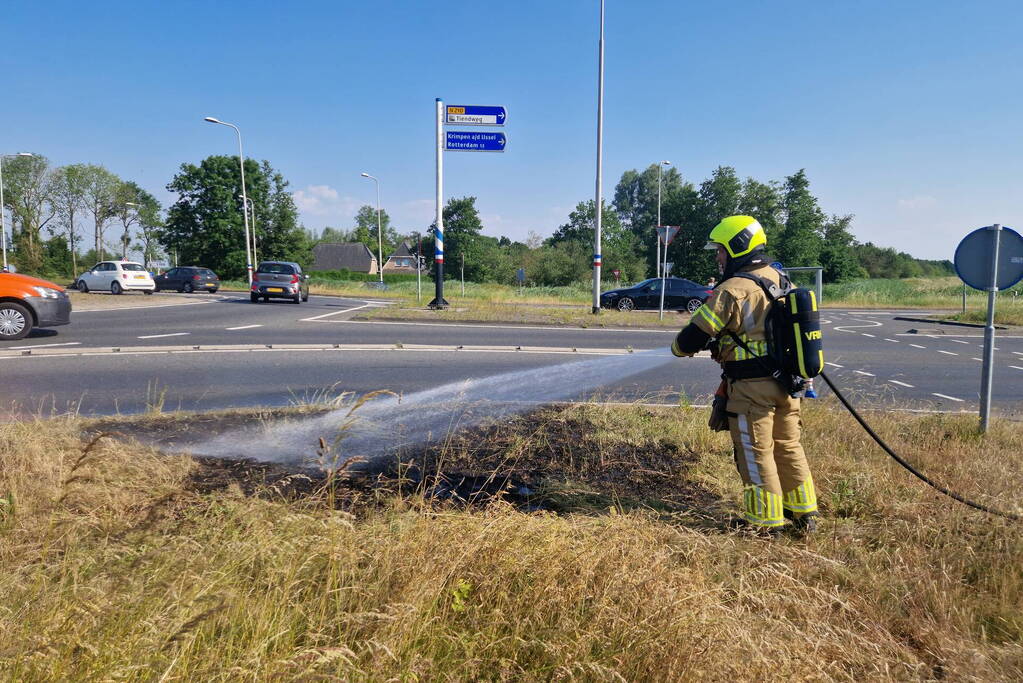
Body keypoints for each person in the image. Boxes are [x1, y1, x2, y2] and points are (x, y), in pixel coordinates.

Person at [670, 215, 818, 535]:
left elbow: (692, 338)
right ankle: (804, 514)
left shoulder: (732, 290)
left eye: (721, 250)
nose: (718, 257)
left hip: (752, 390)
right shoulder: (780, 278)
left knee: (755, 453)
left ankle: (765, 523)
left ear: (738, 247)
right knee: (788, 445)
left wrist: (677, 348)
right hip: (789, 384)